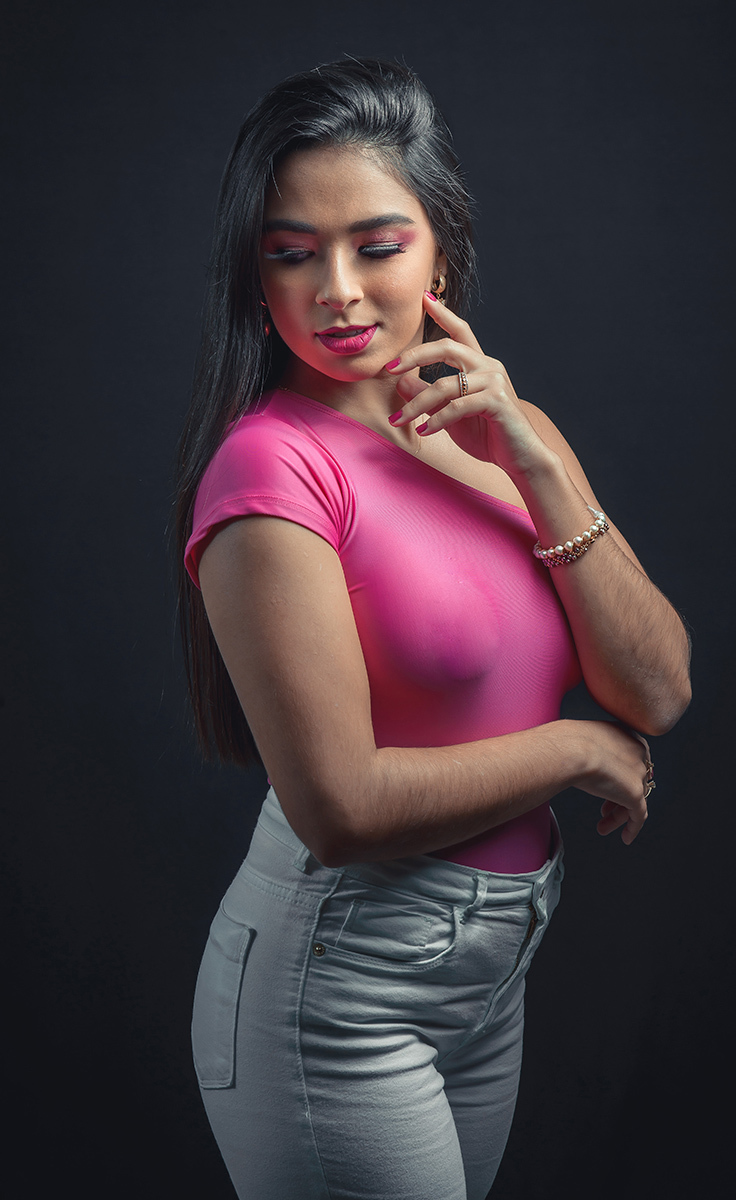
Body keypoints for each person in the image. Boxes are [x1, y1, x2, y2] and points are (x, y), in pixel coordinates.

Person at [175, 57, 691, 1200]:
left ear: (441, 251)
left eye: (377, 244)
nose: (339, 290)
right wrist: (579, 751)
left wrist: (539, 459)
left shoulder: (503, 432)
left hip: (489, 974)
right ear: (257, 281)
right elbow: (342, 808)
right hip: (338, 988)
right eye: (293, 253)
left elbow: (656, 690)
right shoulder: (272, 469)